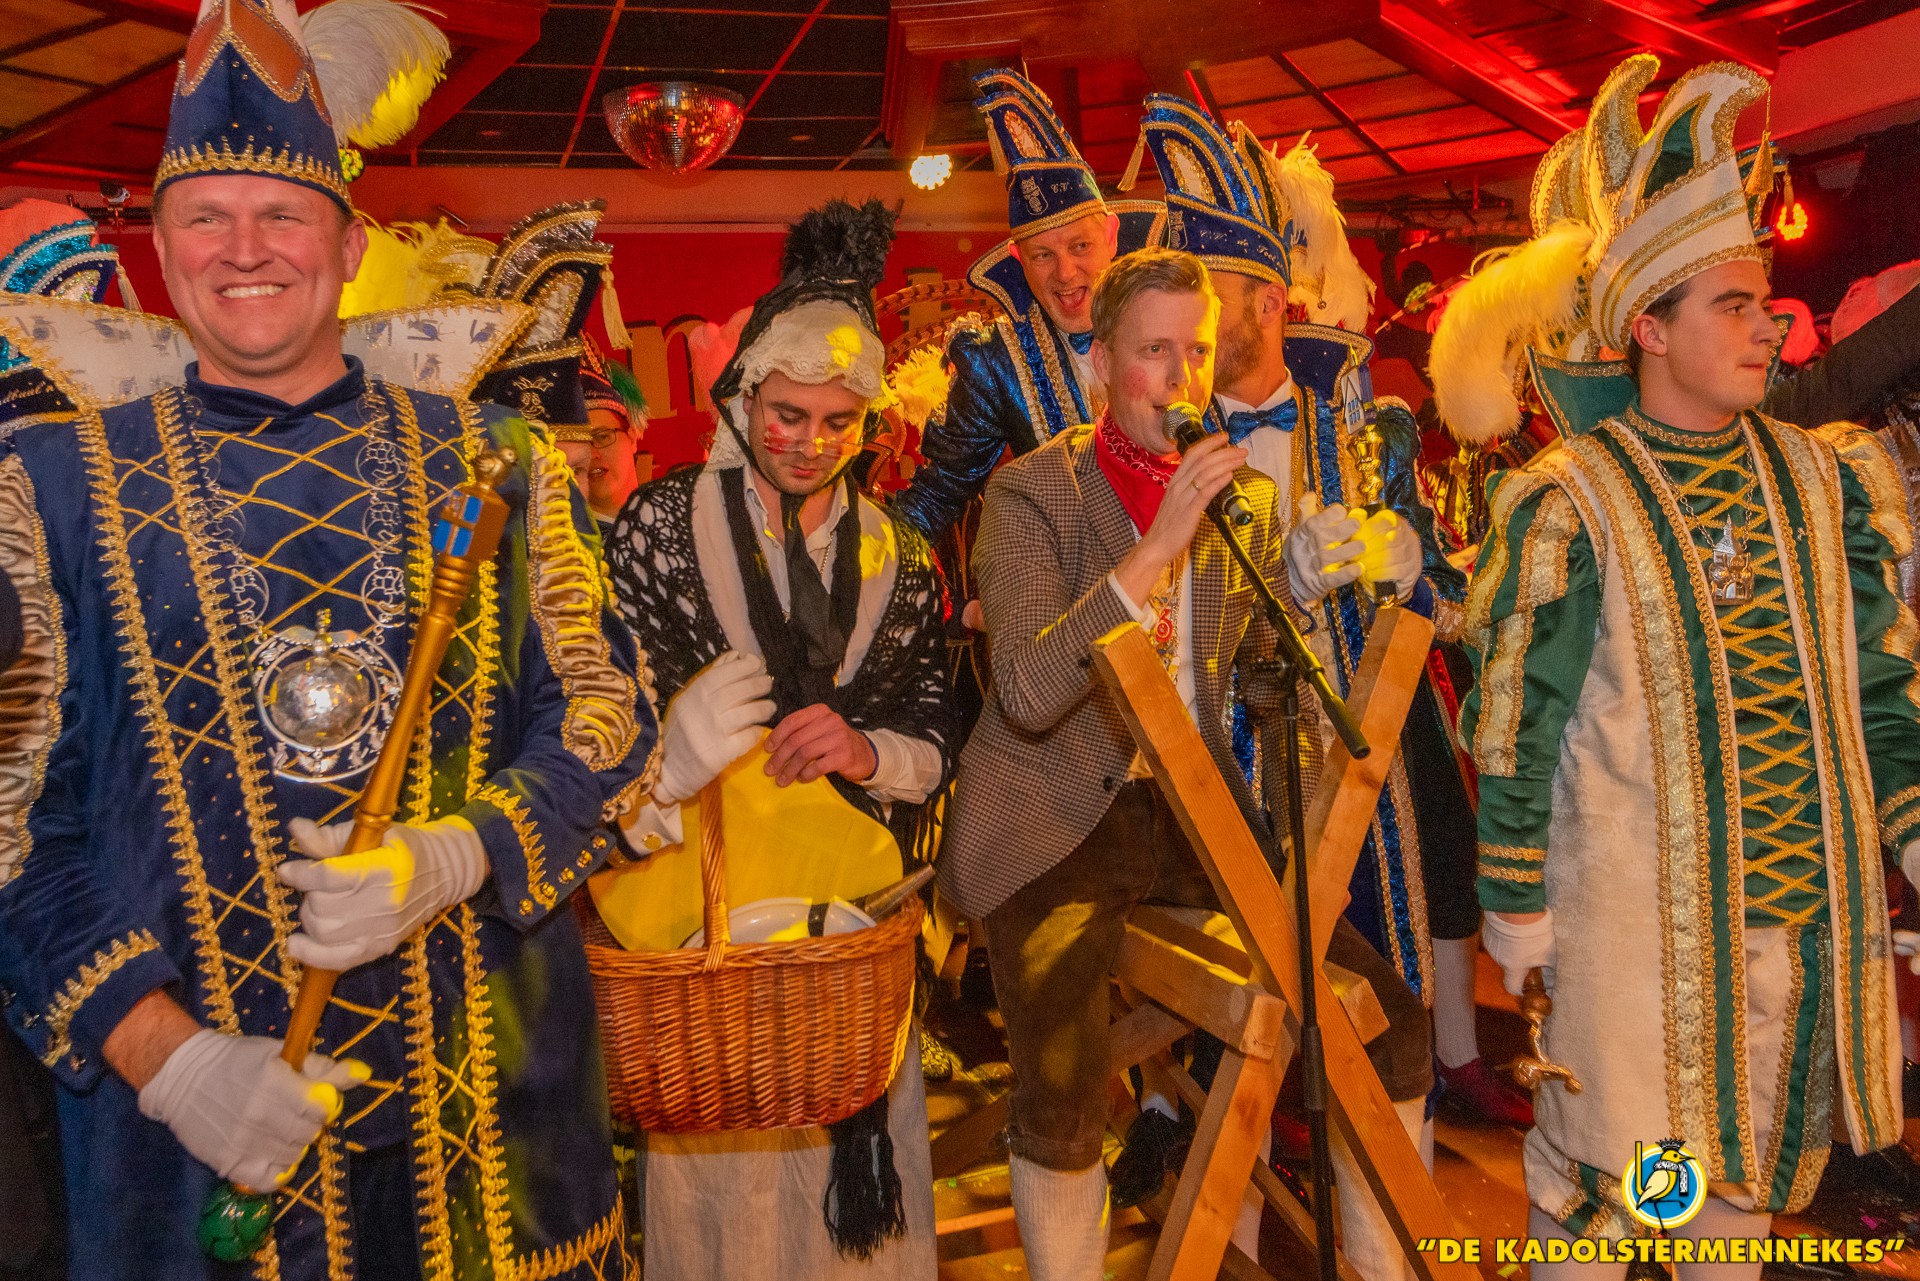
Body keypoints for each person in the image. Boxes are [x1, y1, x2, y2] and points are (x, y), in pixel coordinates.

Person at [0, 4, 655, 1277]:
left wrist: (463, 853)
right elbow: (16, 827)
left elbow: (600, 717)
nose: (245, 250)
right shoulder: (51, 492)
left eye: (282, 215)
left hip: (488, 1139)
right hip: (189, 1160)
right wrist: (167, 1057)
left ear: (349, 244)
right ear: (161, 246)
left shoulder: (500, 461)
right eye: (207, 216)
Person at [1435, 55, 1920, 1271]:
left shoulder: (1825, 483)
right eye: (1732, 306)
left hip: (1798, 942)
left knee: (1736, 1211)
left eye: (1767, 304)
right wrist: (1514, 902)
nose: (1768, 327)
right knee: (1606, 1204)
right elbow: (1518, 722)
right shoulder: (1575, 503)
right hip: (1631, 947)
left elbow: (1881, 694)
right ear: (1649, 328)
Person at [938, 246, 1433, 1281]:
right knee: (1065, 1081)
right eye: (1153, 351)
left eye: (1196, 351)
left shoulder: (1238, 498)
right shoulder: (1029, 492)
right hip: (1051, 811)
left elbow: (1252, 678)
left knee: (1388, 1026)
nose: (1179, 378)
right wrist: (1156, 548)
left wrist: (1300, 591)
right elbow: (1025, 690)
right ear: (1098, 365)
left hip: (1194, 806)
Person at [1130, 96, 1528, 1146]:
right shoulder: (1160, 440)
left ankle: (1387, 1180)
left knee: (1387, 1001)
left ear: (1268, 299)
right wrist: (1279, 583)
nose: (1189, 332)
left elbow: (1458, 608)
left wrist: (1407, 574)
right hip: (1229, 768)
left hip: (1363, 768)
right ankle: (1223, 1160)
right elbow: (1148, 625)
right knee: (1233, 1013)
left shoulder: (1369, 424)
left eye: (1210, 299)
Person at [601, 199, 955, 1280]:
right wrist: (681, 747)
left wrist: (864, 750)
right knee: (728, 1192)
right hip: (701, 929)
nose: (809, 442)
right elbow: (604, 712)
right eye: (788, 414)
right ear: (744, 397)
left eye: (837, 421)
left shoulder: (901, 557)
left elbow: (936, 729)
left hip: (846, 938)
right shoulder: (660, 528)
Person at [890, 68, 1164, 541]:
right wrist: (869, 559)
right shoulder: (996, 361)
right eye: (1042, 255)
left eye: (1080, 246)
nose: (1065, 273)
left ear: (1111, 236)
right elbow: (939, 493)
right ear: (1019, 259)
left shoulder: (1174, 323)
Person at [567, 334, 649, 535]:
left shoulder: (679, 520)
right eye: (581, 444)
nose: (592, 454)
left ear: (632, 436)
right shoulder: (566, 545)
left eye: (602, 436)